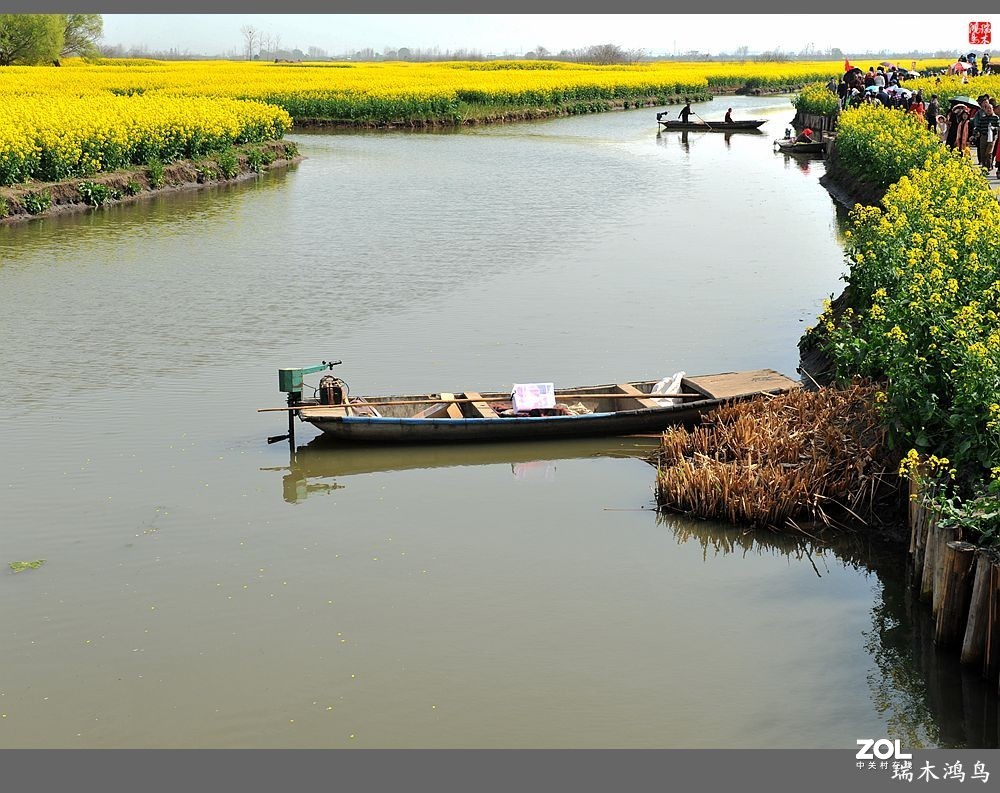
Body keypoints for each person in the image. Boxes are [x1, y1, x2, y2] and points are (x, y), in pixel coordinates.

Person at [972, 101, 999, 169]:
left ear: (992, 109)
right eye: (987, 108)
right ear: (985, 110)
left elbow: (998, 127)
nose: (989, 110)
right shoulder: (983, 118)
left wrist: (993, 128)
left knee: (988, 153)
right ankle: (984, 166)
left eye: (990, 108)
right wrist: (973, 135)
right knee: (983, 152)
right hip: (983, 136)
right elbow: (978, 127)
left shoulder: (996, 118)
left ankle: (989, 166)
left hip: (992, 137)